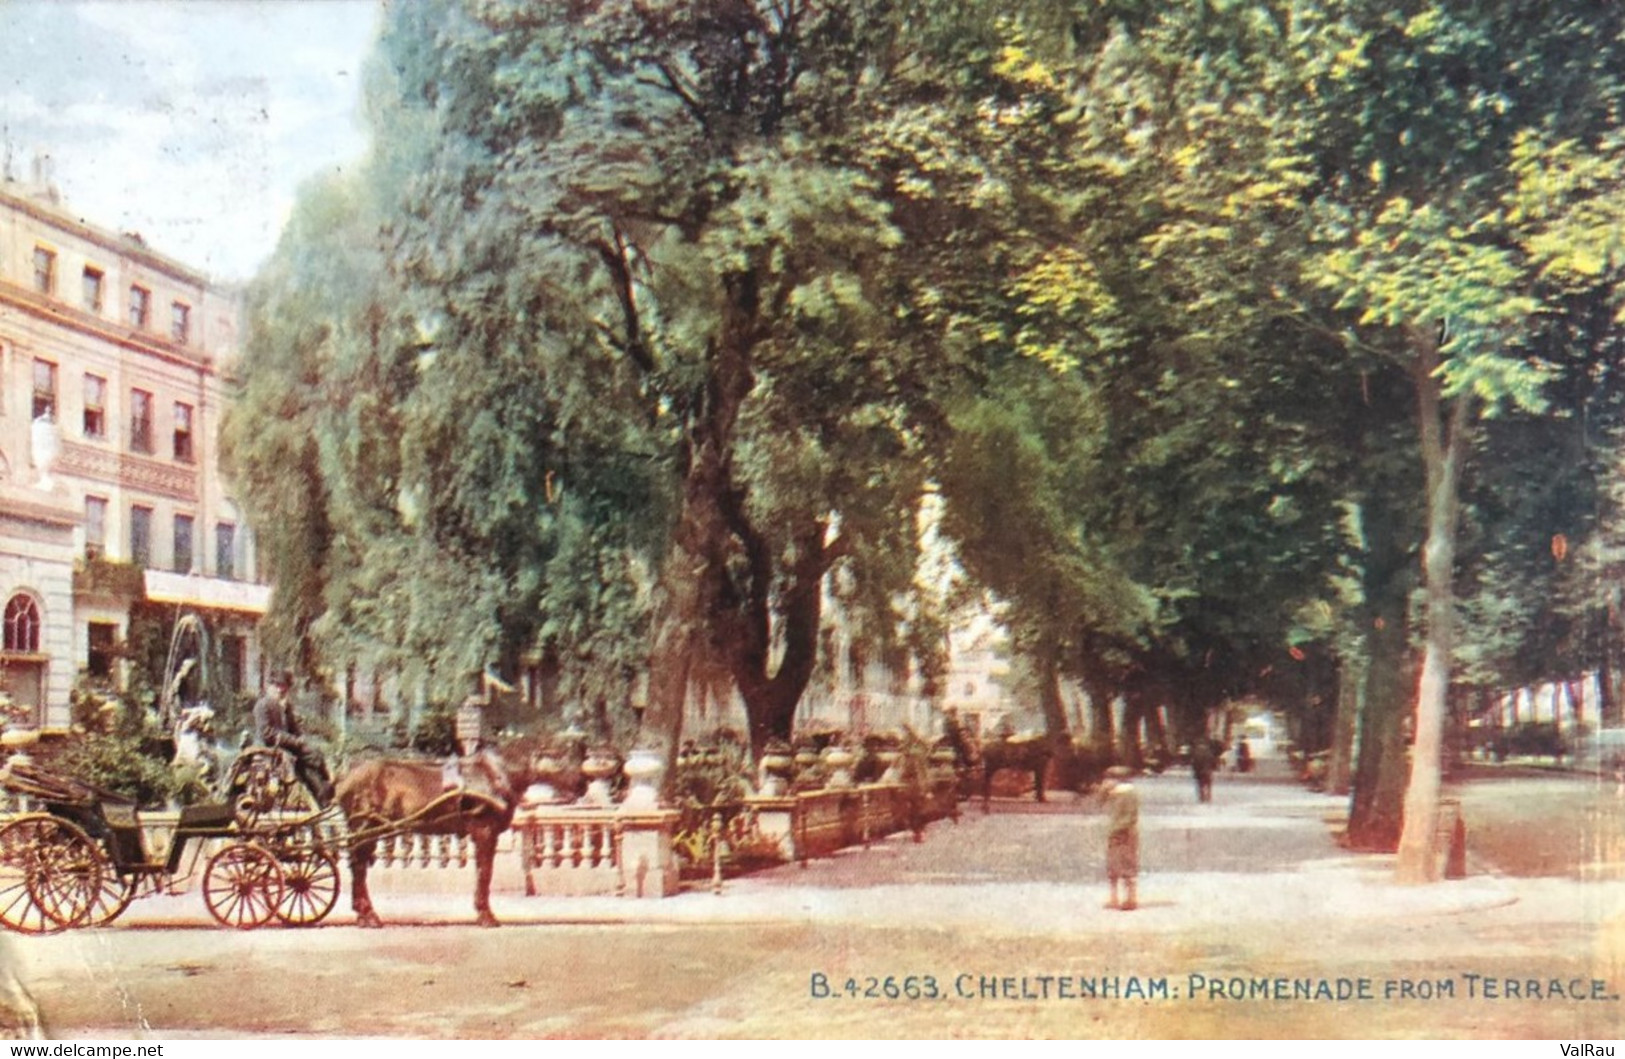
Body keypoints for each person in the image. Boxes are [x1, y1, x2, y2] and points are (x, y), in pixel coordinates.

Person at [252, 670, 333, 806]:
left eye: (284, 687)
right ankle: (319, 795)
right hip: (267, 748)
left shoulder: (285, 707)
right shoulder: (262, 705)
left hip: (286, 746)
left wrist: (301, 739)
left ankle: (323, 791)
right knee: (298, 759)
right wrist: (295, 742)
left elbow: (294, 729)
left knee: (315, 755)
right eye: (277, 686)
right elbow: (267, 733)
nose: (280, 690)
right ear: (270, 686)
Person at [1102, 765, 1139, 911]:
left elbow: (1130, 816)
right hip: (1115, 832)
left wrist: (1117, 829)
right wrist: (1104, 791)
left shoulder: (1129, 794)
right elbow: (1099, 802)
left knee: (1128, 865)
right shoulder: (1114, 793)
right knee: (1113, 866)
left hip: (1126, 833)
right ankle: (1114, 897)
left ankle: (1131, 898)